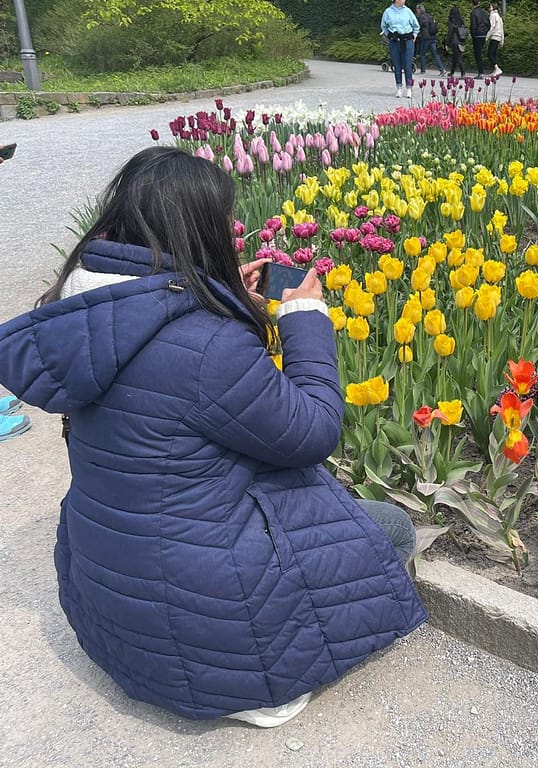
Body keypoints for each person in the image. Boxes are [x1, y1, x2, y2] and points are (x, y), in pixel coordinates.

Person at [0, 147, 427, 726]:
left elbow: (164, 378)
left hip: (111, 604)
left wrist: (224, 298)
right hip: (209, 607)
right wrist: (305, 320)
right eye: (223, 222)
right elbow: (313, 431)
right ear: (196, 228)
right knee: (392, 527)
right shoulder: (206, 345)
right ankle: (265, 686)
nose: (232, 233)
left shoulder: (80, 309)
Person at [382, 0, 421, 98]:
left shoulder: (408, 11)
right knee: (397, 65)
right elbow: (384, 26)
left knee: (407, 65)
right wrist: (389, 36)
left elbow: (416, 26)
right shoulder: (388, 12)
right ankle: (399, 88)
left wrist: (414, 36)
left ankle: (409, 88)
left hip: (407, 40)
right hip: (395, 41)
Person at [416, 3, 447, 75]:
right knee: (435, 54)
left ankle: (423, 70)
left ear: (419, 10)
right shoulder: (429, 16)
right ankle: (442, 69)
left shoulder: (421, 17)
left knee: (422, 54)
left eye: (417, 10)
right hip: (432, 37)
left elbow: (419, 27)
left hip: (426, 38)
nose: (417, 11)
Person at [469, 0, 490, 77]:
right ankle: (482, 71)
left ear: (472, 3)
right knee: (480, 53)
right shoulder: (484, 12)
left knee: (477, 54)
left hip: (477, 35)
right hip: (484, 34)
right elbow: (488, 24)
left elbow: (473, 25)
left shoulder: (473, 13)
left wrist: (473, 34)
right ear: (479, 2)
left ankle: (480, 72)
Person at [446, 6, 468, 77]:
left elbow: (450, 32)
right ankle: (452, 72)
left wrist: (447, 43)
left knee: (458, 57)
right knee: (455, 57)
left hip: (454, 41)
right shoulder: (461, 21)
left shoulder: (452, 21)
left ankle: (463, 72)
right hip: (461, 40)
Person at [485, 2, 505, 77]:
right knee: (493, 53)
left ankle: (497, 68)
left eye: (490, 6)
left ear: (493, 7)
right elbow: (502, 28)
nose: (489, 8)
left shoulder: (493, 15)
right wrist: (502, 40)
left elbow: (492, 27)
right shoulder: (499, 16)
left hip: (494, 36)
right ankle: (495, 70)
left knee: (490, 53)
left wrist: (487, 37)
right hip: (498, 36)